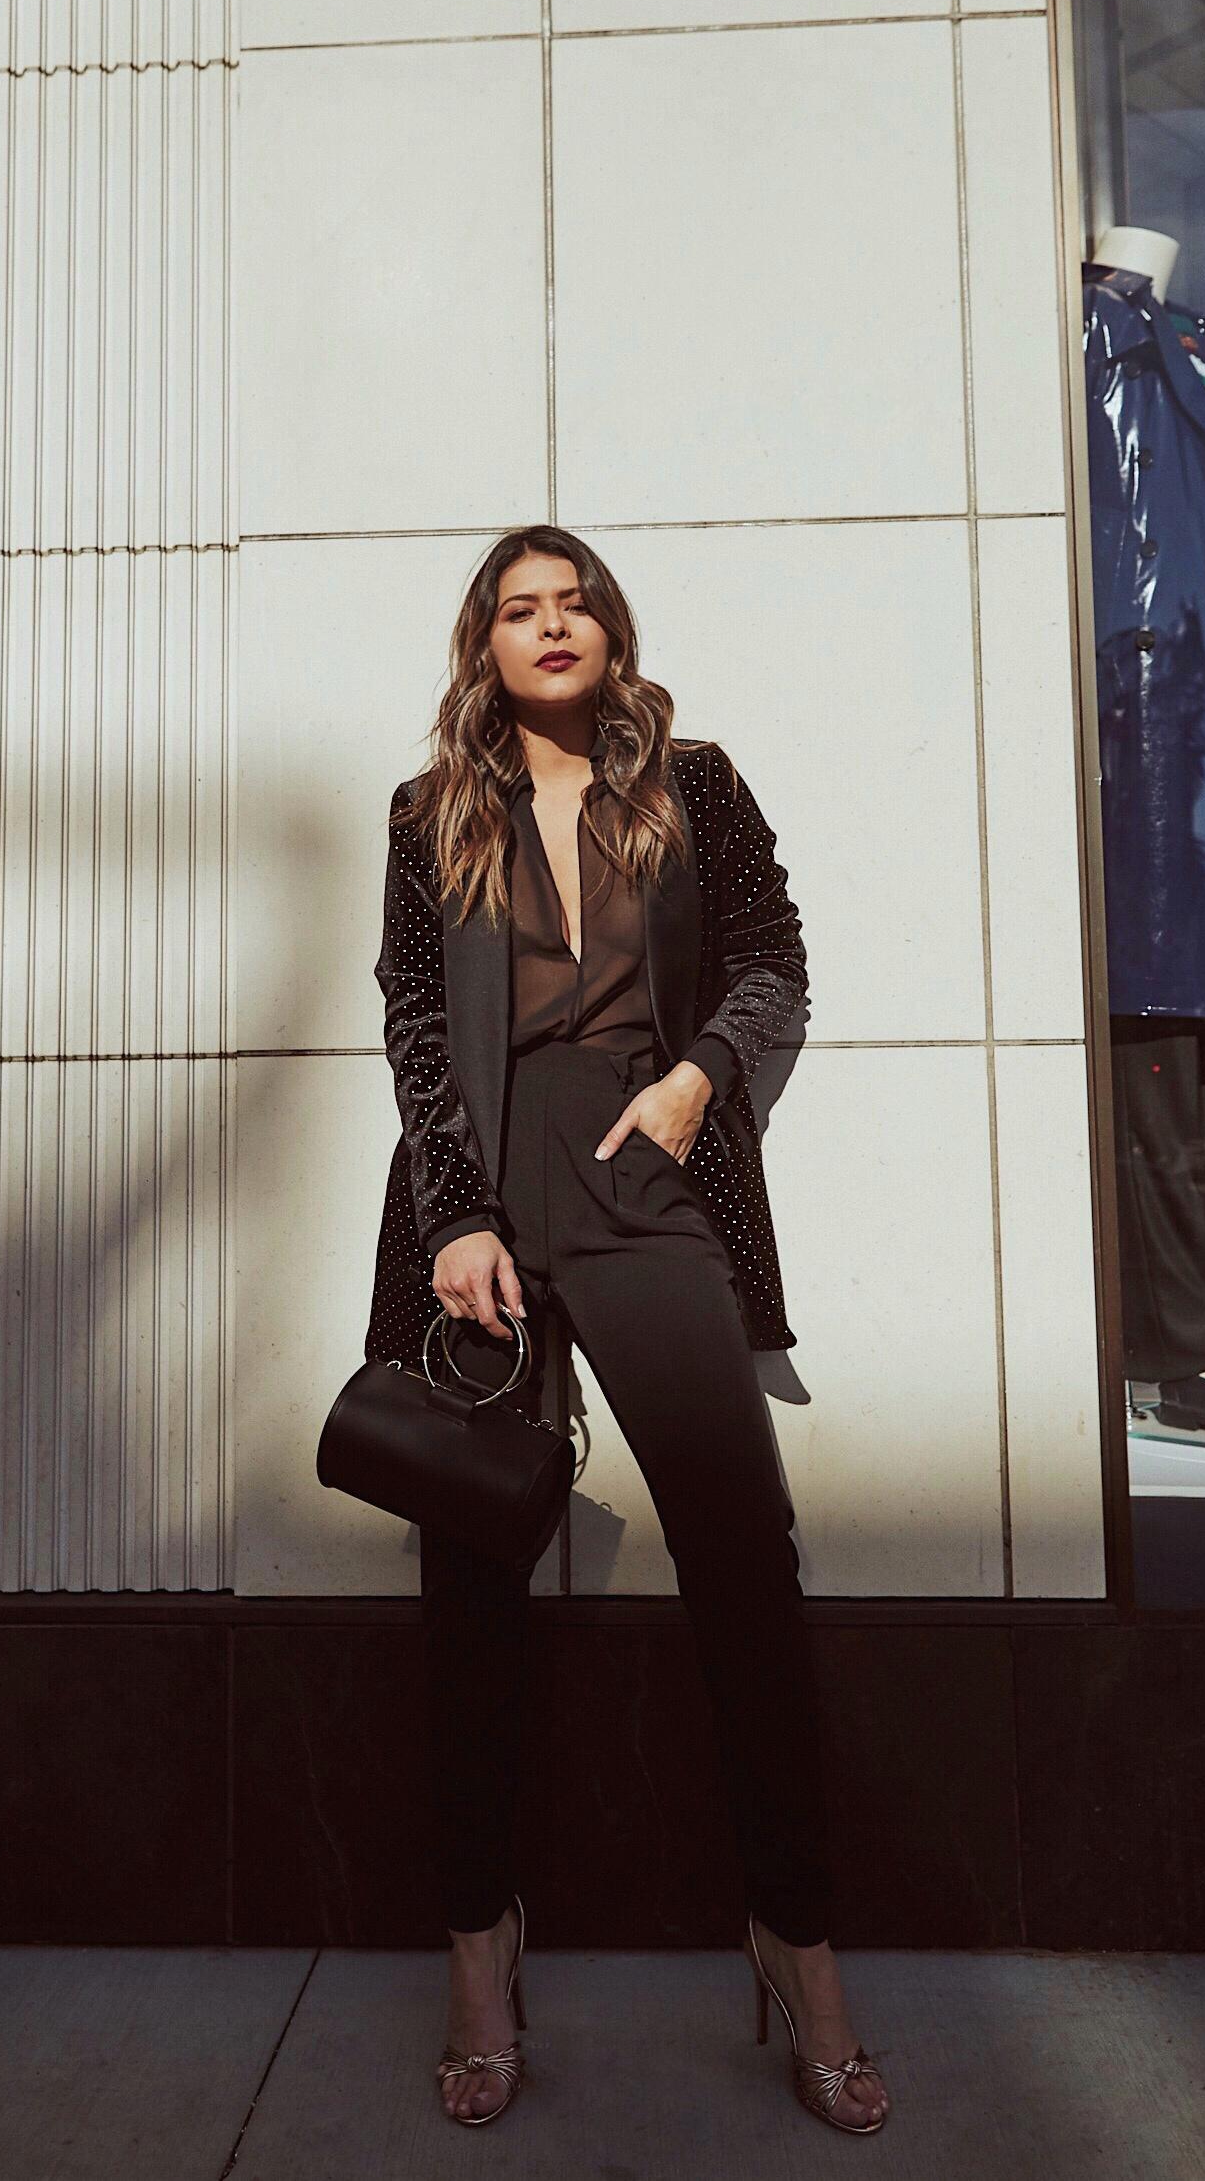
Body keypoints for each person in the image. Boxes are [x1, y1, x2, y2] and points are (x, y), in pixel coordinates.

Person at [364, 525, 890, 2136]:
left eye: (573, 598)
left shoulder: (694, 785)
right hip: (480, 1212)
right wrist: (454, 1211)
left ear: (608, 625)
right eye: (519, 609)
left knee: (744, 1552)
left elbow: (772, 963)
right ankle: (481, 1948)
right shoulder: (429, 811)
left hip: (645, 1180)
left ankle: (796, 1945)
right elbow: (408, 1009)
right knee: (469, 1583)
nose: (553, 624)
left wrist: (694, 1080)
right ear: (486, 645)